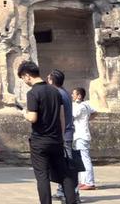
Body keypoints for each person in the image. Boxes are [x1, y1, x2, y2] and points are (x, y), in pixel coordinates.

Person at [19, 61, 76, 204]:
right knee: (64, 174)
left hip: (40, 141)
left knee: (42, 176)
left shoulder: (33, 93)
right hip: (57, 139)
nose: (24, 81)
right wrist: (61, 136)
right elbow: (62, 116)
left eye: (22, 78)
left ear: (27, 76)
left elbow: (33, 118)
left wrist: (23, 113)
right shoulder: (55, 91)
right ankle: (71, 201)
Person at [47, 70, 79, 202]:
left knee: (67, 166)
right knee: (63, 164)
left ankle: (73, 193)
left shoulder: (58, 94)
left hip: (64, 134)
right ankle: (63, 191)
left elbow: (60, 117)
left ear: (52, 80)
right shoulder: (64, 92)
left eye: (48, 79)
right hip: (66, 133)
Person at [72, 87, 97, 190]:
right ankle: (83, 181)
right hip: (81, 135)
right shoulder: (86, 104)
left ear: (79, 96)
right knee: (81, 159)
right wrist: (86, 120)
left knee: (85, 159)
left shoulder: (81, 106)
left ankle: (89, 182)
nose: (72, 95)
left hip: (81, 135)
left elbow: (72, 115)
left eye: (74, 93)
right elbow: (95, 112)